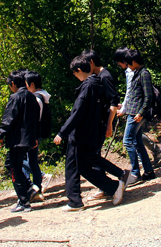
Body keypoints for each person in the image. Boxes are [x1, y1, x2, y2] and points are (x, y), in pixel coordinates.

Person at [54, 56, 127, 211]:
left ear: (79, 70)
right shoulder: (97, 83)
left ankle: (80, 200)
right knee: (83, 166)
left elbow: (78, 112)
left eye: (74, 73)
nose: (75, 76)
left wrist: (62, 132)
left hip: (80, 133)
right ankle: (109, 187)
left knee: (76, 167)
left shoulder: (88, 86)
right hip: (90, 132)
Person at [81, 50, 130, 201]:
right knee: (95, 156)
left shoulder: (105, 76)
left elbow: (113, 101)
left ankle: (117, 178)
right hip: (98, 122)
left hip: (102, 122)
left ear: (91, 63)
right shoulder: (98, 76)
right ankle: (105, 187)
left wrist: (109, 123)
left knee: (92, 156)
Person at [0, 71, 40, 213]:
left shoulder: (15, 97)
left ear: (13, 84)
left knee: (13, 167)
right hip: (28, 139)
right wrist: (34, 137)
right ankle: (29, 190)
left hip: (17, 140)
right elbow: (35, 120)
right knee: (14, 165)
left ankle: (24, 201)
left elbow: (9, 118)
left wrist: (0, 135)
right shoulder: (32, 97)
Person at [114, 47, 161, 166]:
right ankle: (147, 167)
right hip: (133, 109)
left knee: (128, 140)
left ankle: (137, 168)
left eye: (127, 63)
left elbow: (146, 95)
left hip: (136, 111)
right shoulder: (135, 71)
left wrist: (137, 111)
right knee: (136, 138)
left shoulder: (141, 73)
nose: (125, 66)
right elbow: (132, 93)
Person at [120, 49, 156, 185]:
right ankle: (148, 171)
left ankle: (135, 173)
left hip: (136, 114)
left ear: (134, 61)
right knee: (137, 142)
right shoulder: (137, 73)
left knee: (127, 141)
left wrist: (141, 113)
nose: (128, 66)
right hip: (133, 112)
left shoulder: (144, 74)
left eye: (129, 63)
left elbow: (149, 96)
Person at [22, 71, 52, 201]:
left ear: (32, 84)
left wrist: (32, 135)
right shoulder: (43, 96)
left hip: (33, 134)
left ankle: (38, 182)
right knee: (31, 159)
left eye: (26, 85)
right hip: (36, 133)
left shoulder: (37, 98)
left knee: (29, 160)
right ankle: (35, 186)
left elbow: (35, 118)